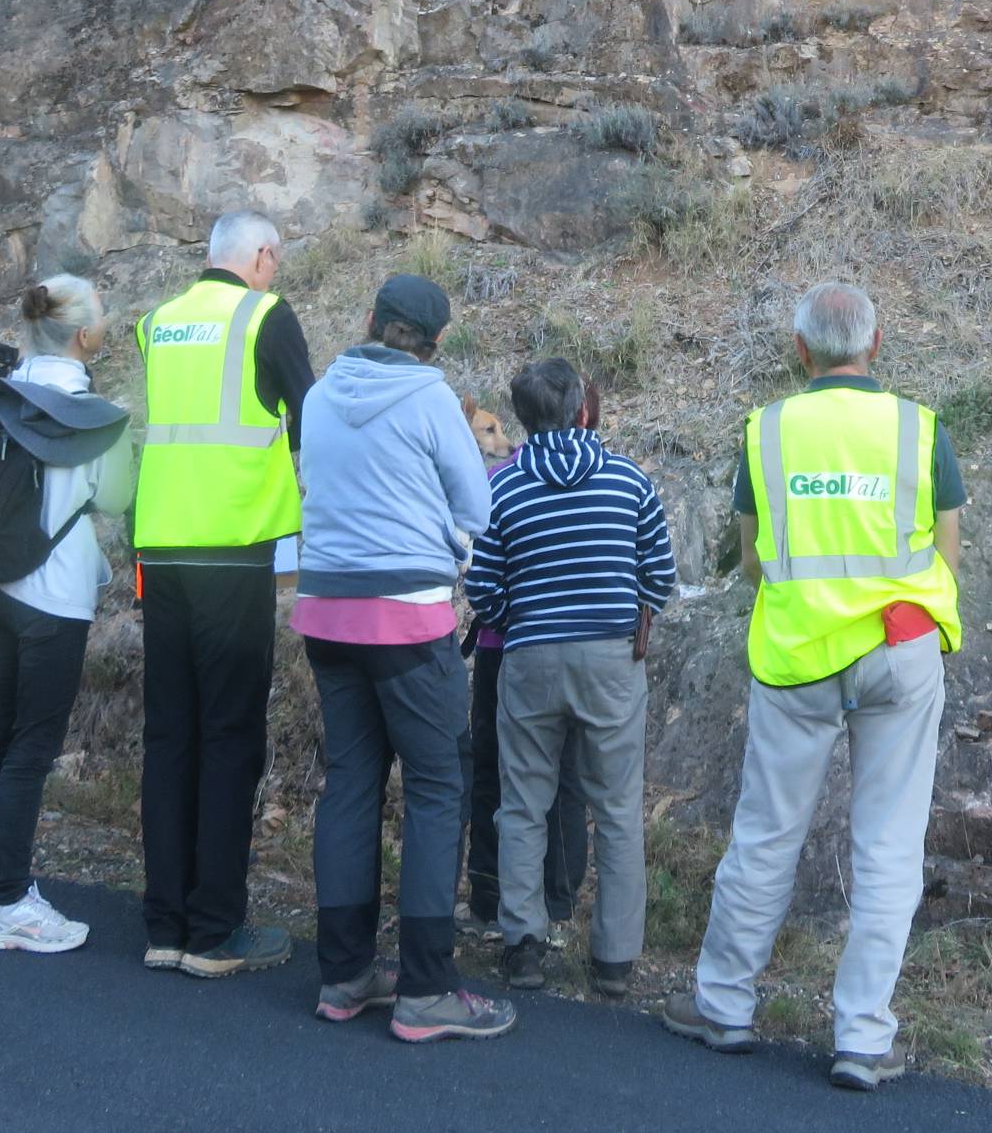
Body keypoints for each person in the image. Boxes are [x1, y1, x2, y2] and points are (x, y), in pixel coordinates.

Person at [661, 280, 963, 1093]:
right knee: (889, 846)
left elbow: (754, 553)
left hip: (797, 655)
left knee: (766, 835)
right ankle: (863, 1038)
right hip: (899, 650)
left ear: (801, 350)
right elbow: (946, 548)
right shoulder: (917, 426)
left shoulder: (765, 432)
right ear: (877, 342)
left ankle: (724, 1005)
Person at [295, 273, 513, 1043]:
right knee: (434, 790)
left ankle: (344, 973)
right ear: (437, 341)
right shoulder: (430, 399)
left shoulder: (320, 396)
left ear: (368, 321)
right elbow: (477, 509)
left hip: (324, 613)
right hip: (407, 621)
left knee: (351, 784)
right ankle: (426, 987)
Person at [132, 210, 314, 977]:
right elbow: (314, 421)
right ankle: (215, 930)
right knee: (229, 737)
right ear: (263, 256)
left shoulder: (158, 322)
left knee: (170, 735)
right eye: (276, 258)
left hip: (160, 552)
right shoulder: (263, 316)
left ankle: (165, 925)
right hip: (234, 551)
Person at [461, 357, 674, 999]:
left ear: (523, 415)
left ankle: (523, 945)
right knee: (614, 809)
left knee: (522, 803)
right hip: (611, 660)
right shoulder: (628, 481)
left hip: (529, 659)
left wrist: (520, 618)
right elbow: (659, 577)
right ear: (582, 407)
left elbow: (482, 587)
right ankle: (613, 959)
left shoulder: (502, 487)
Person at [0, 274, 133, 953]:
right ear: (84, 334)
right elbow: (112, 501)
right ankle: (11, 901)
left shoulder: (1, 397)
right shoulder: (98, 417)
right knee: (31, 748)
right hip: (55, 599)